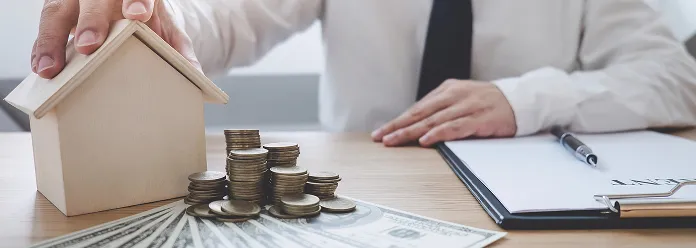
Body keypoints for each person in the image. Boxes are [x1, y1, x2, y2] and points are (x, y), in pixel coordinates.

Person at [31, 0, 696, 148]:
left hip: (528, 210)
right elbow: (227, 19)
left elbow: (676, 78)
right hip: (360, 203)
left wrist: (527, 99)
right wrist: (156, 14)